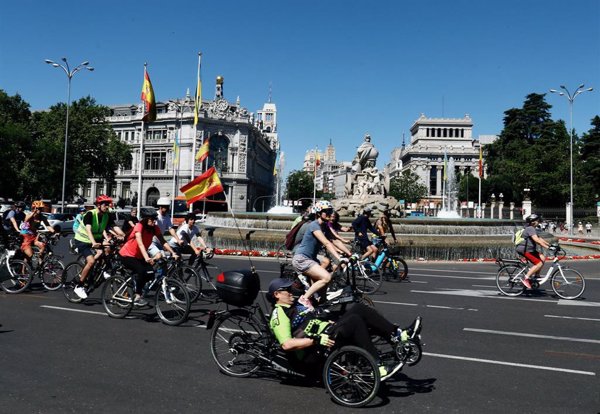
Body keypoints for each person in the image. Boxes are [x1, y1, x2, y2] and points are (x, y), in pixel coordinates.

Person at [267, 278, 420, 380]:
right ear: (277, 294)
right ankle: (376, 366)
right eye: (286, 289)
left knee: (359, 308)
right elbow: (286, 344)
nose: (291, 291)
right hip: (313, 351)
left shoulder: (293, 305)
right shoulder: (279, 314)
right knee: (354, 321)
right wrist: (315, 340)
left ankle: (398, 336)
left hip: (325, 332)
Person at [292, 200, 346, 309]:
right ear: (318, 213)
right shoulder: (314, 225)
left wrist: (349, 254)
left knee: (324, 286)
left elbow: (335, 240)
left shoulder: (324, 226)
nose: (330, 214)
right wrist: (339, 258)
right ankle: (304, 299)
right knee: (326, 277)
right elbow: (326, 243)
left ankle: (319, 304)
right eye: (326, 211)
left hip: (311, 259)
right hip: (302, 259)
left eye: (330, 211)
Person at [118, 210, 179, 306]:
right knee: (142, 271)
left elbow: (163, 241)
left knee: (151, 273)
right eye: (152, 220)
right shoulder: (139, 226)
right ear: (146, 219)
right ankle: (138, 296)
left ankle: (135, 287)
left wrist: (173, 252)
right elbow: (140, 243)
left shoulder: (154, 228)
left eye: (155, 219)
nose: (154, 221)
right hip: (127, 254)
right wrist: (147, 257)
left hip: (139, 256)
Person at [72, 195, 125, 299]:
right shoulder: (90, 214)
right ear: (98, 205)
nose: (107, 206)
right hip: (83, 239)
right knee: (92, 260)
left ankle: (102, 270)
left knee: (107, 249)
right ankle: (79, 285)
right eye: (105, 204)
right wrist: (93, 243)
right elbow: (88, 229)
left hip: (96, 238)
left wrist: (123, 235)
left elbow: (113, 226)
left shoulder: (107, 215)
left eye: (108, 204)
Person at [515, 214, 551, 289]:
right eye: (537, 220)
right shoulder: (530, 228)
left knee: (542, 257)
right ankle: (526, 278)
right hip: (525, 249)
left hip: (530, 249)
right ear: (533, 222)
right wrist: (547, 247)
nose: (538, 221)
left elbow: (539, 238)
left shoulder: (532, 228)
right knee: (539, 263)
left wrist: (550, 245)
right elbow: (537, 240)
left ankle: (536, 275)